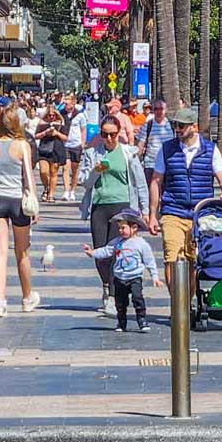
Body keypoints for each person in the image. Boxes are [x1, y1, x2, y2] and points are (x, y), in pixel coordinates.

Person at [148, 107, 222, 297]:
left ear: (194, 126)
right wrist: (152, 215)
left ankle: (186, 304)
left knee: (192, 262)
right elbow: (156, 181)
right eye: (175, 125)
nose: (177, 129)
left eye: (181, 125)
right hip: (173, 212)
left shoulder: (210, 150)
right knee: (172, 258)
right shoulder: (167, 150)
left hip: (200, 215)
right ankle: (178, 304)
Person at [78, 116, 149, 313]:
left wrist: (146, 211)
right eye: (104, 134)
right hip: (100, 206)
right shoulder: (93, 153)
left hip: (122, 205)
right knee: (100, 253)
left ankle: (113, 295)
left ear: (119, 133)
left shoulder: (128, 153)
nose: (108, 138)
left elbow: (139, 182)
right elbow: (84, 182)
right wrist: (95, 171)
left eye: (112, 134)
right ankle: (106, 286)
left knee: (116, 251)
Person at [0, 106, 40, 317]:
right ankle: (26, 298)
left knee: (0, 252)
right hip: (18, 201)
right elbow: (28, 175)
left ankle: (0, 301)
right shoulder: (22, 145)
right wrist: (34, 201)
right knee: (22, 252)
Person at [84, 208, 162, 332]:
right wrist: (92, 252)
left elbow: (149, 260)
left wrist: (155, 276)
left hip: (135, 276)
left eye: (123, 228)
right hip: (119, 277)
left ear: (134, 227)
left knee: (137, 298)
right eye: (119, 228)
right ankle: (121, 322)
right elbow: (106, 250)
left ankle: (142, 320)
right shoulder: (117, 242)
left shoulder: (141, 244)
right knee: (120, 303)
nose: (120, 231)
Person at [136, 100, 175, 188]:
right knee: (151, 192)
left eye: (161, 109)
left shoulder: (172, 126)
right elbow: (140, 144)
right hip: (150, 164)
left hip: (167, 165)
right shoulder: (148, 125)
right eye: (156, 109)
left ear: (166, 110)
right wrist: (136, 162)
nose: (159, 111)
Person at [35, 104, 67, 204]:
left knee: (53, 172)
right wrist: (45, 133)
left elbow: (65, 138)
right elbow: (36, 136)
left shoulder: (60, 124)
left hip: (56, 149)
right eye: (49, 115)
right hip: (44, 149)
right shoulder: (42, 123)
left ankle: (51, 194)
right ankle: (46, 187)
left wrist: (56, 133)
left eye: (53, 115)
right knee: (43, 171)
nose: (51, 117)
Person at [62, 93, 86, 202]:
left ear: (73, 103)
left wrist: (82, 143)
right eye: (64, 103)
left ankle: (73, 190)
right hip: (65, 144)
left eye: (67, 103)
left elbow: (83, 130)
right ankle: (66, 191)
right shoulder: (61, 114)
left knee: (75, 169)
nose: (65, 105)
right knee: (65, 168)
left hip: (76, 144)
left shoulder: (79, 115)